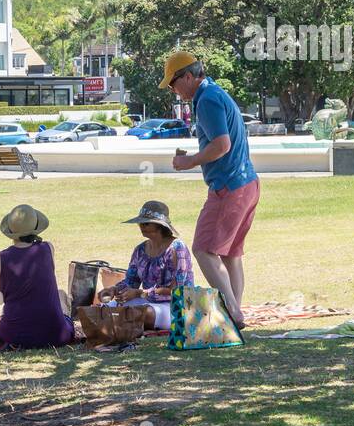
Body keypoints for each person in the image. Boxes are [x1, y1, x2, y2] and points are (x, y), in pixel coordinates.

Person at [164, 51, 258, 329]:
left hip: (228, 187)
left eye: (173, 83)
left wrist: (189, 161)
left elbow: (221, 145)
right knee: (231, 253)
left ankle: (232, 312)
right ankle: (234, 314)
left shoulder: (205, 100)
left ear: (189, 77)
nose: (173, 89)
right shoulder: (215, 93)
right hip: (247, 183)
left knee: (203, 248)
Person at [0, 205, 75, 351]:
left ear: (11, 231)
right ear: (36, 227)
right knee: (61, 298)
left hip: (15, 334)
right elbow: (38, 273)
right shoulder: (48, 248)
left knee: (14, 316)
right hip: (56, 335)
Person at [96, 200, 194, 332]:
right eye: (140, 223)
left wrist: (140, 293)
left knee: (144, 313)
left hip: (176, 306)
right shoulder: (140, 250)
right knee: (103, 309)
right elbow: (131, 282)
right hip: (147, 302)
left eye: (146, 223)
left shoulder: (177, 248)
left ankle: (122, 324)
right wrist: (114, 290)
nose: (141, 226)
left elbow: (177, 290)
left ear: (160, 226)